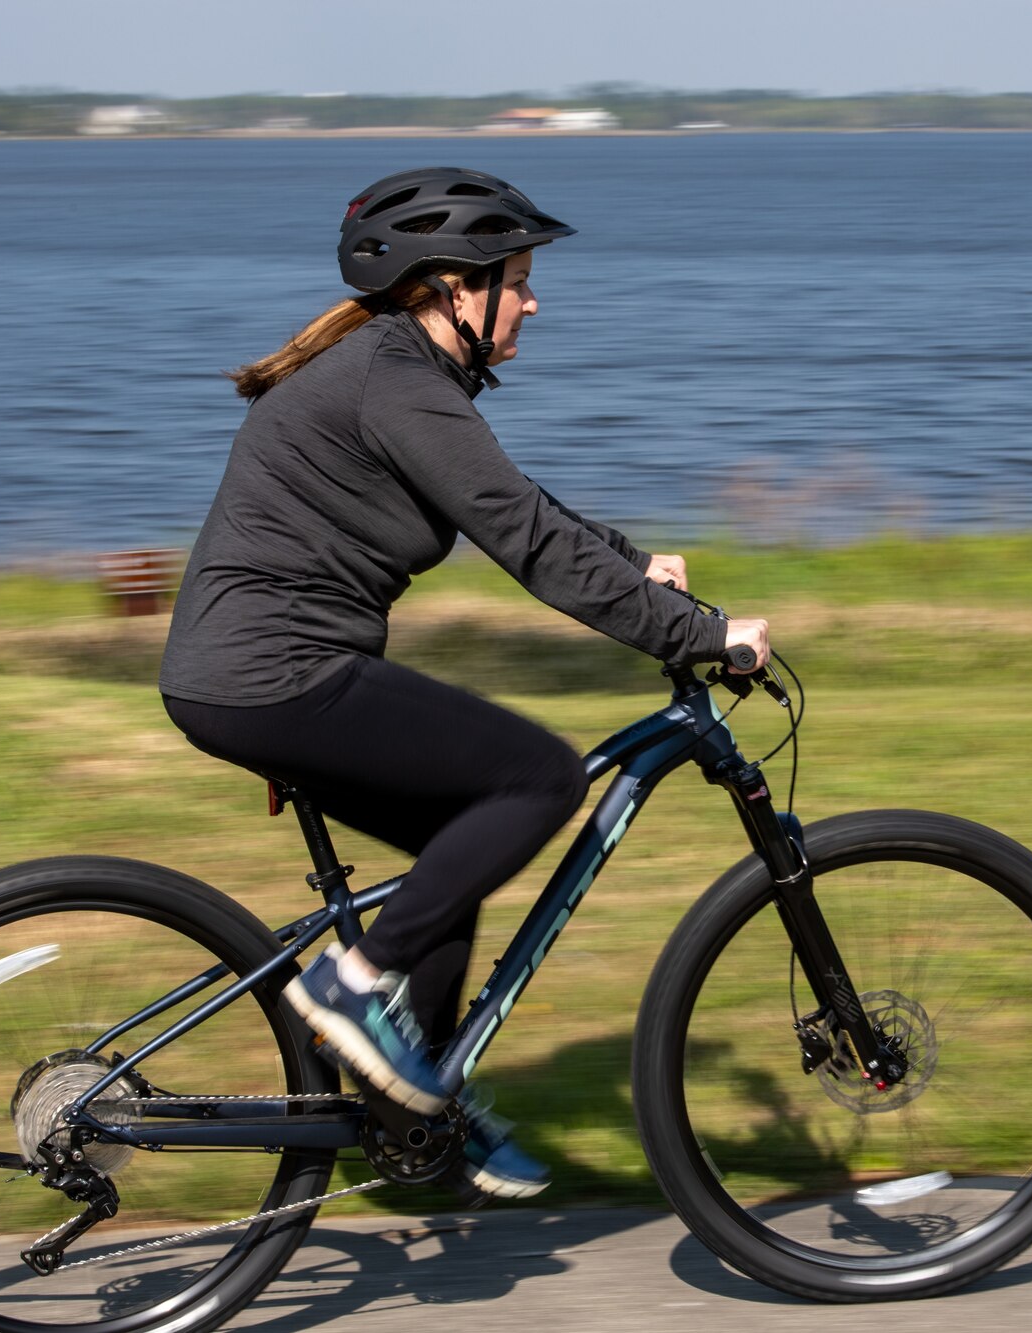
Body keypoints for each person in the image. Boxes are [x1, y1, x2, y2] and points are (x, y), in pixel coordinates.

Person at [158, 166, 770, 1199]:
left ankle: (417, 1108)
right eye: (518, 278)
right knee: (533, 777)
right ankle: (358, 991)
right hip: (276, 672)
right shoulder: (393, 377)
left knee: (461, 841)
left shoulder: (400, 372)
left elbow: (513, 504)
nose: (532, 299)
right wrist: (703, 633)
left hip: (257, 671)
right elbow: (527, 546)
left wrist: (629, 563)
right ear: (450, 288)